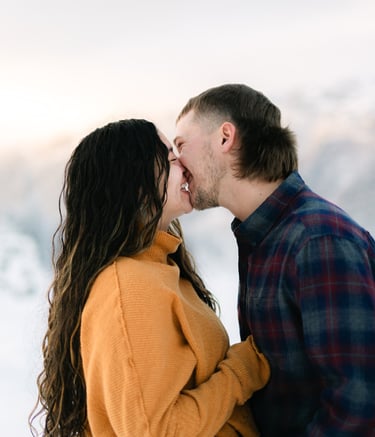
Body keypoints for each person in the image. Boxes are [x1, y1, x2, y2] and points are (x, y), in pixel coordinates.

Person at [29, 118, 270, 437]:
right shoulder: (128, 286)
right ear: (135, 185)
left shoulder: (159, 267)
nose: (184, 166)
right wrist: (241, 372)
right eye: (170, 159)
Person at [174, 84, 375, 436]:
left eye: (180, 146)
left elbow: (358, 403)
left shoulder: (318, 240)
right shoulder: (263, 238)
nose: (177, 164)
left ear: (225, 137)